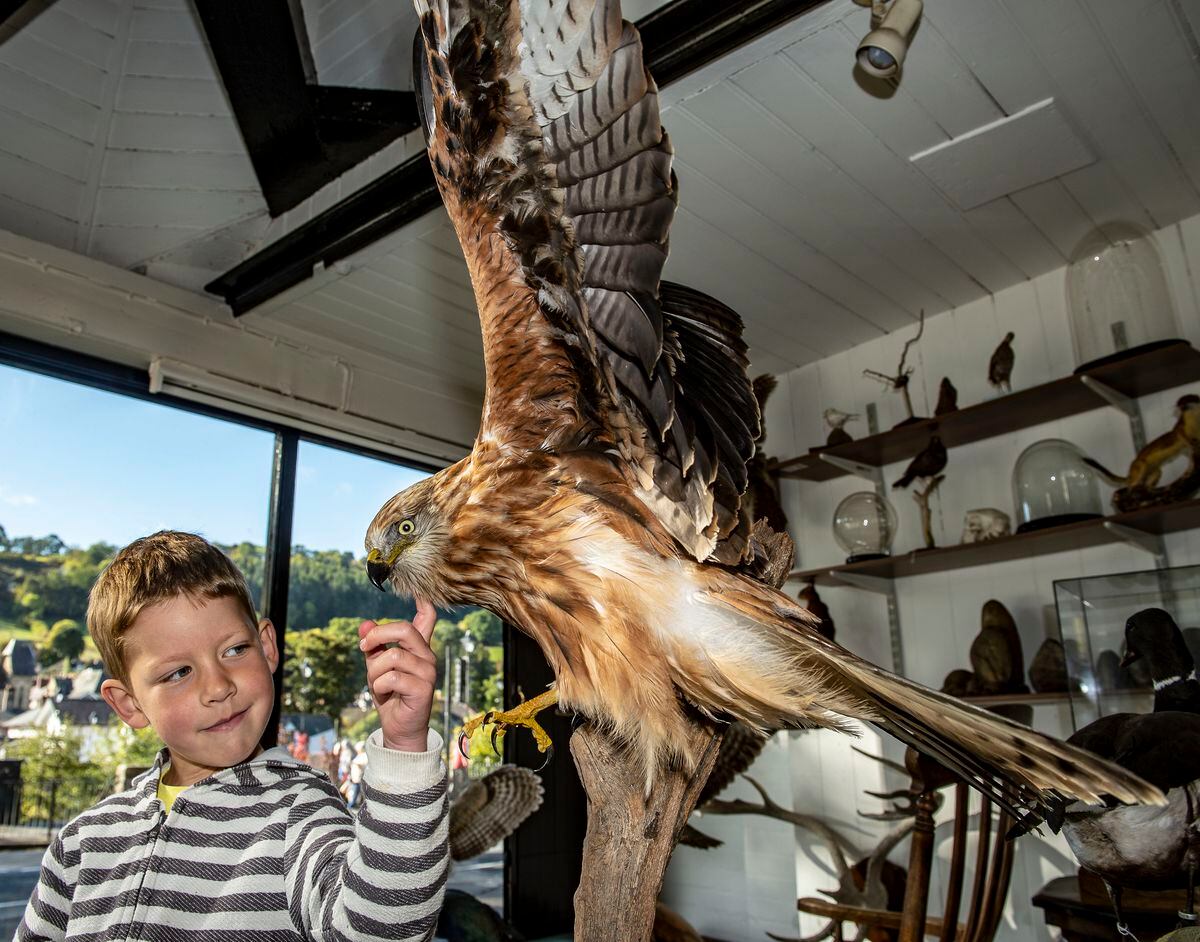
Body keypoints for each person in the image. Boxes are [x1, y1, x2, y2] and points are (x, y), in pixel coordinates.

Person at [17, 530, 447, 942]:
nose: (219, 687)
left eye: (235, 650)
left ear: (267, 647)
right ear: (129, 704)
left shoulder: (298, 811)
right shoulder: (82, 843)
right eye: (178, 673)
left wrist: (404, 746)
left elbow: (376, 928)